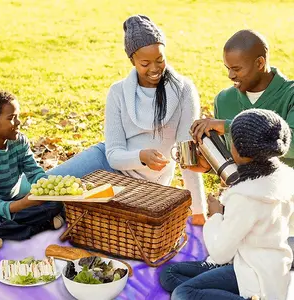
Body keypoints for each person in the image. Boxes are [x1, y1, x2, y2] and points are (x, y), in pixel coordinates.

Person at [47, 15, 207, 225]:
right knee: (43, 188)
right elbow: (113, 155)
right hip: (106, 163)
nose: (154, 68)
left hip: (143, 185)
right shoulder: (118, 92)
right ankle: (12, 213)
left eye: (160, 59)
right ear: (132, 60)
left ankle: (57, 216)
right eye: (145, 63)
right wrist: (141, 156)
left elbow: (187, 156)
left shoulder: (184, 90)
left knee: (87, 214)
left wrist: (198, 211)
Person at [160, 108, 294, 300]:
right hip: (266, 267)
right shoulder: (285, 178)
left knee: (182, 293)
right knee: (169, 274)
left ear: (238, 150)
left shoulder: (246, 197)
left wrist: (216, 215)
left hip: (253, 275)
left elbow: (220, 252)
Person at [190, 29, 294, 263]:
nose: (230, 75)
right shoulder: (224, 100)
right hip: (242, 206)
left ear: (260, 62)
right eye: (227, 68)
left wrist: (228, 126)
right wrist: (210, 166)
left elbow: (292, 142)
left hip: (284, 210)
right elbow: (237, 161)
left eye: (236, 69)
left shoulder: (290, 95)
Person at [0, 90, 64, 241]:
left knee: (58, 203)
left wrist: (47, 189)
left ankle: (8, 232)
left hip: (15, 203)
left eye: (18, 116)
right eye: (11, 118)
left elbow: (34, 172)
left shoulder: (19, 141)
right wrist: (22, 205)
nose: (18, 122)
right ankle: (39, 226)